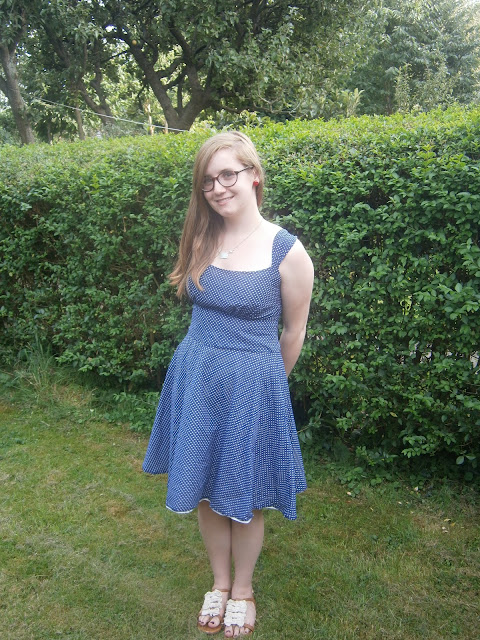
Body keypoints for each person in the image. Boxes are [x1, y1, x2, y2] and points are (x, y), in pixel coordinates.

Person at [143, 131, 314, 637]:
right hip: (197, 379)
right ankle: (218, 584)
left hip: (251, 390)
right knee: (203, 491)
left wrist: (267, 389)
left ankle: (243, 591)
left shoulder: (287, 251)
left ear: (253, 176)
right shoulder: (202, 237)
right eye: (208, 180)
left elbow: (294, 332)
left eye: (228, 175)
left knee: (245, 496)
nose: (217, 188)